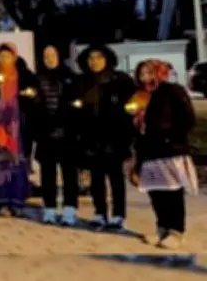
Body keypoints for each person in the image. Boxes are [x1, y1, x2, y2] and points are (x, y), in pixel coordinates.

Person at [129, 60, 198, 249]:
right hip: (148, 150)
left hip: (170, 150)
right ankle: (162, 228)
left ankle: (176, 230)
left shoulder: (172, 91)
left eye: (149, 73)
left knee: (172, 192)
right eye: (141, 73)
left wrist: (171, 137)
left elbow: (188, 118)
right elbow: (133, 121)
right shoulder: (140, 95)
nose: (145, 77)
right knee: (156, 192)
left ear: (159, 73)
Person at [72, 44, 136, 230]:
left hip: (114, 136)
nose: (95, 62)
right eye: (91, 58)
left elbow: (131, 107)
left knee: (116, 177)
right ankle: (100, 212)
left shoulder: (120, 80)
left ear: (107, 59)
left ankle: (118, 214)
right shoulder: (82, 82)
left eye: (99, 57)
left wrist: (128, 134)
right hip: (90, 137)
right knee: (96, 178)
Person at [0, 43, 40, 217]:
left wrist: (31, 95)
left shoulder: (24, 75)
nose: (4, 60)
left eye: (7, 57)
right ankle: (1, 201)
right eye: (0, 57)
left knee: (18, 163)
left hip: (19, 126)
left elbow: (36, 95)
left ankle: (17, 201)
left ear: (14, 57)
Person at [36, 45, 79, 226]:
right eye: (46, 55)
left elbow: (75, 103)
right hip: (45, 133)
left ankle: (69, 208)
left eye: (53, 54)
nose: (50, 58)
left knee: (69, 172)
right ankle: (50, 209)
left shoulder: (70, 77)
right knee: (47, 173)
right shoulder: (38, 77)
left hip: (66, 133)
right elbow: (34, 105)